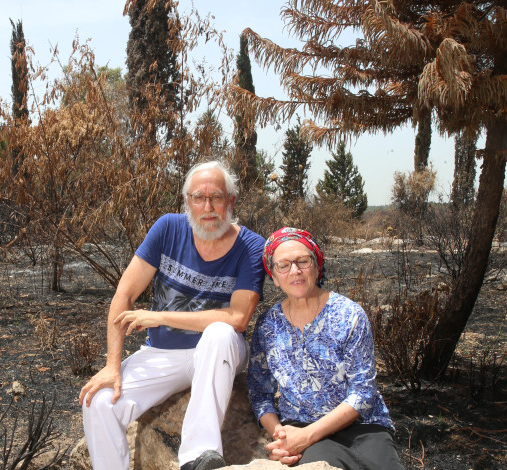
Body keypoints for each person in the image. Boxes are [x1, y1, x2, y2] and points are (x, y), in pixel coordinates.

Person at [79, 160, 265, 470]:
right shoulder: (168, 229)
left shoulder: (250, 246)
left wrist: (162, 317)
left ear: (230, 201)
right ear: (187, 202)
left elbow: (237, 319)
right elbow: (124, 295)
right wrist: (112, 366)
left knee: (219, 334)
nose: (208, 206)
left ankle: (199, 457)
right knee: (98, 402)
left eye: (216, 197)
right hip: (164, 353)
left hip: (219, 353)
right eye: (198, 197)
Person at [247, 227, 403, 469]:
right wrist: (282, 437)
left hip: (363, 427)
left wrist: (305, 437)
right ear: (274, 277)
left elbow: (363, 393)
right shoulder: (268, 325)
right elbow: (260, 394)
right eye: (284, 265)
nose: (295, 271)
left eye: (302, 261)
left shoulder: (349, 315)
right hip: (300, 426)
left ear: (317, 266)